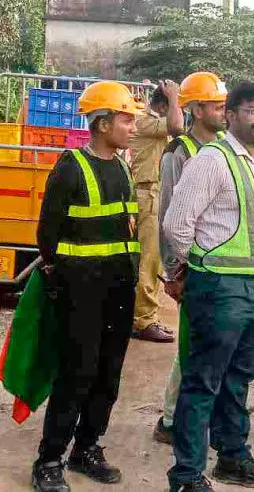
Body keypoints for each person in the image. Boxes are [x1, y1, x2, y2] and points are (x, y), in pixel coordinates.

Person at [164, 82, 254, 492]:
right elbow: (176, 225)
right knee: (203, 381)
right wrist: (191, 268)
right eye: (253, 110)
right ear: (230, 116)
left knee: (238, 379)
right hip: (219, 287)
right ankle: (186, 475)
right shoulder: (212, 161)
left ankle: (232, 457)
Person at [33, 81, 142, 491]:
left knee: (107, 375)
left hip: (118, 290)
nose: (132, 126)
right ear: (101, 123)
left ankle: (87, 448)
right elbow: (48, 237)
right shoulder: (70, 167)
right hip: (80, 293)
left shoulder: (122, 167)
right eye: (126, 118)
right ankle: (49, 459)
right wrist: (62, 280)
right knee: (76, 374)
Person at [152, 71, 228, 445]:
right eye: (216, 106)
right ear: (196, 110)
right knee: (191, 346)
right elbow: (169, 214)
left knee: (209, 344)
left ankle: (189, 415)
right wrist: (173, 272)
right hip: (191, 264)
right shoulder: (179, 153)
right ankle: (170, 420)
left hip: (218, 265)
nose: (223, 111)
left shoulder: (225, 147)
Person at [128, 79, 184, 343]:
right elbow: (178, 127)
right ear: (163, 105)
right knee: (149, 262)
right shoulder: (146, 122)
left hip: (154, 194)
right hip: (148, 194)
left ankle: (144, 316)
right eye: (172, 104)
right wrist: (176, 97)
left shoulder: (150, 122)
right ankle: (144, 321)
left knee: (153, 260)